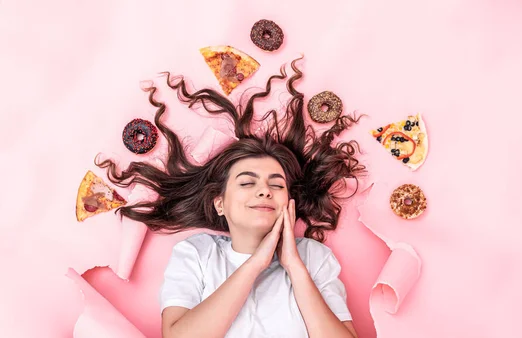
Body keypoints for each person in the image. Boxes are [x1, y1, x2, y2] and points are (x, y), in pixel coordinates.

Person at [97, 57, 366, 338]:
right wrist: (256, 262)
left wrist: (295, 268)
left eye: (276, 185)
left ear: (289, 204)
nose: (264, 191)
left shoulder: (314, 258)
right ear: (220, 203)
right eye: (247, 183)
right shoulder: (197, 254)